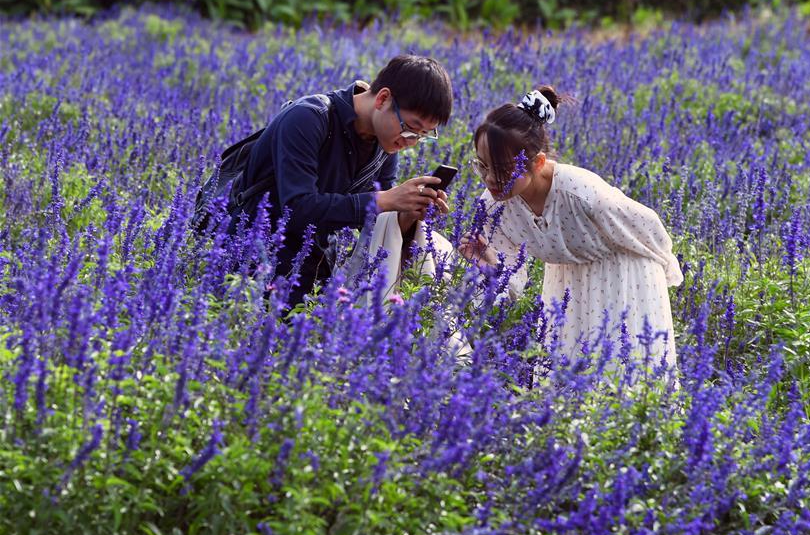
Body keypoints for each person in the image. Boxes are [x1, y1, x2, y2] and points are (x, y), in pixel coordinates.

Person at [459, 86, 683, 373]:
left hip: (623, 272)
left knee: (620, 374)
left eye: (502, 170)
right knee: (565, 383)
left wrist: (663, 275)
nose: (490, 179)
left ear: (538, 163)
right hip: (565, 283)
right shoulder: (493, 205)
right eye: (482, 166)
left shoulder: (581, 193)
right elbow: (511, 281)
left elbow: (647, 225)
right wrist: (492, 268)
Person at [232, 55, 454, 304]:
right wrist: (383, 200)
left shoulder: (385, 144)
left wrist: (409, 211)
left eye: (422, 135)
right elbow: (297, 209)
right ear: (382, 98)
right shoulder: (307, 118)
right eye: (410, 128)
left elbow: (374, 224)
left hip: (316, 275)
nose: (411, 142)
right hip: (250, 267)